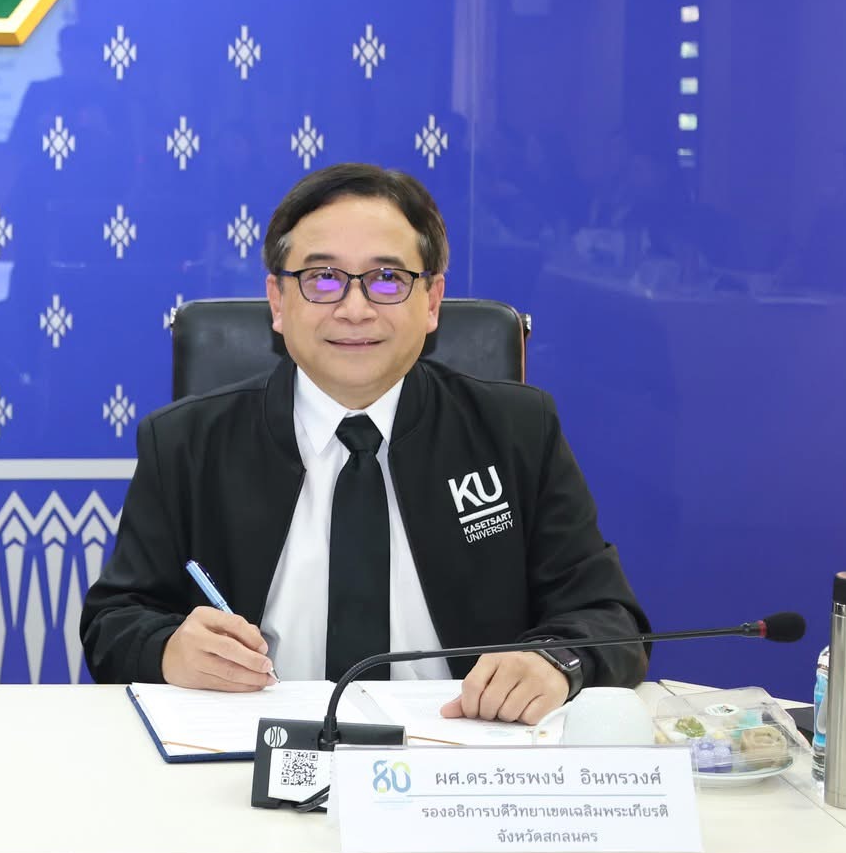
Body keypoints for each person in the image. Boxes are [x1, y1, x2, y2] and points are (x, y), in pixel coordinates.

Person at [79, 163, 649, 724]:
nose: (355, 309)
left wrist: (553, 663)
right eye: (323, 278)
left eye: (388, 279)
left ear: (432, 302)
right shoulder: (186, 443)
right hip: (256, 749)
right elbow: (114, 622)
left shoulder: (517, 431)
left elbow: (608, 616)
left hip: (461, 752)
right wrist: (168, 649)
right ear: (278, 302)